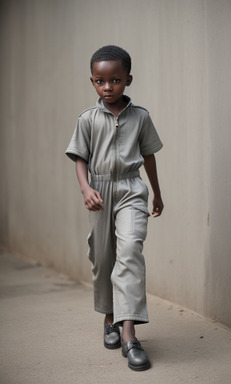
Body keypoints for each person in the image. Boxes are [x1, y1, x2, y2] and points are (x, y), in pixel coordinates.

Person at [66, 45, 164, 371]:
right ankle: (109, 317)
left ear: (128, 80)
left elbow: (149, 156)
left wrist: (157, 195)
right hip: (100, 192)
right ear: (93, 81)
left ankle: (129, 334)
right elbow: (80, 158)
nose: (107, 87)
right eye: (100, 81)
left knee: (130, 251)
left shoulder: (141, 117)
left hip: (132, 190)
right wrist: (85, 188)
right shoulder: (87, 119)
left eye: (115, 80)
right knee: (104, 257)